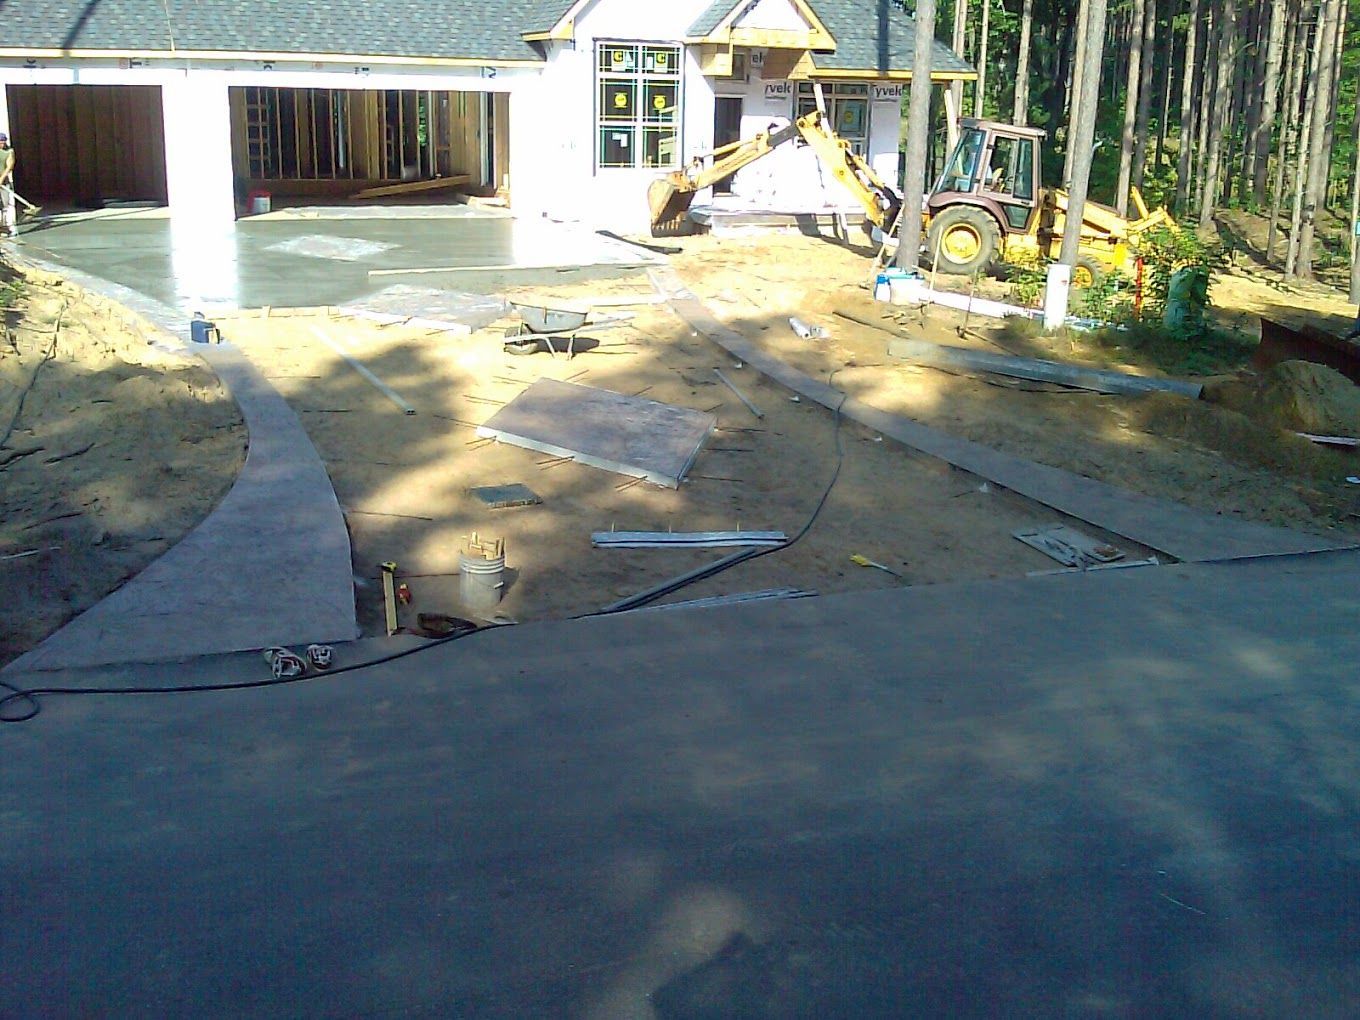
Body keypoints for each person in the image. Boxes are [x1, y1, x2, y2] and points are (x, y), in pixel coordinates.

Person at [0, 133, 15, 238]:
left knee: (5, 205)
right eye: (0, 142)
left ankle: (4, 227)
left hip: (3, 182)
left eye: (3, 141)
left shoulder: (9, 151)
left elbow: (9, 166)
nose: (2, 144)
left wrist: (1, 178)